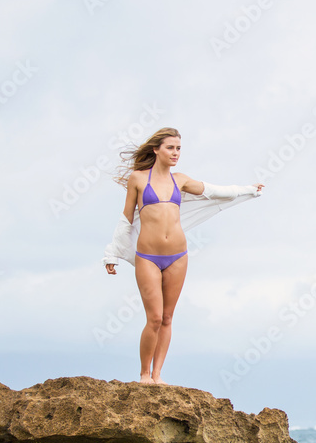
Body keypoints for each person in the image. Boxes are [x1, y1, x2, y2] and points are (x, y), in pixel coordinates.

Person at [103, 127, 263, 384]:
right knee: (154, 318)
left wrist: (248, 189)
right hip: (148, 256)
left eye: (178, 148)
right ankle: (144, 374)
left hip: (178, 255)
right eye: (170, 147)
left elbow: (217, 191)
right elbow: (126, 219)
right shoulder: (138, 179)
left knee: (167, 318)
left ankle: (158, 375)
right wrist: (112, 254)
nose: (175, 153)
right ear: (156, 149)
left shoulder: (181, 180)